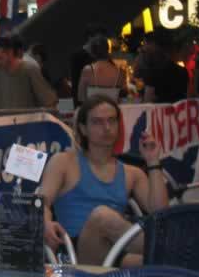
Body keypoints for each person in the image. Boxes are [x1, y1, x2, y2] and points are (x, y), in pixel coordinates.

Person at [42, 95, 168, 266]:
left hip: (114, 253)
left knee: (160, 264)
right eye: (97, 122)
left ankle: (167, 253)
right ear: (83, 129)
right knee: (101, 215)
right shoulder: (64, 162)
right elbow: (42, 202)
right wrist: (45, 222)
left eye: (112, 121)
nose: (107, 128)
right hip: (77, 255)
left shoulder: (132, 173)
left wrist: (153, 161)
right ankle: (168, 249)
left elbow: (161, 213)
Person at [0, 36, 57, 110]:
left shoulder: (29, 69)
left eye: (0, 58)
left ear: (10, 52)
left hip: (27, 117)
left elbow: (49, 101)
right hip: (4, 117)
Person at [77, 34, 126, 104]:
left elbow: (81, 97)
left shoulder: (88, 70)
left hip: (93, 110)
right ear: (108, 50)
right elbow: (123, 98)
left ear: (92, 52)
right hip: (112, 110)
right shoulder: (120, 72)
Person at [70, 25, 107, 107]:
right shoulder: (78, 56)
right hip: (84, 99)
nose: (100, 42)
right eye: (99, 38)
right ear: (90, 37)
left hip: (99, 98)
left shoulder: (100, 56)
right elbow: (75, 81)